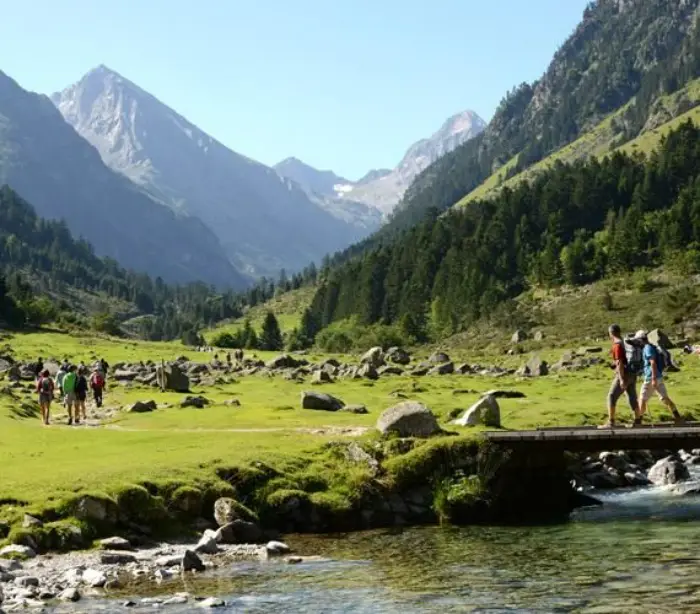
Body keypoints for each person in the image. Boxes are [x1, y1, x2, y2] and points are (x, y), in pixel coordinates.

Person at [636, 330, 684, 424]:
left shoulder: (647, 348)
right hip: (658, 376)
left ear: (641, 340)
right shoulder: (651, 346)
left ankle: (638, 420)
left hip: (651, 377)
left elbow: (652, 363)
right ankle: (678, 417)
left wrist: (653, 378)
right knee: (664, 398)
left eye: (638, 340)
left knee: (642, 399)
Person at [601, 324, 641, 428]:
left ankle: (611, 421)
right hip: (633, 373)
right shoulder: (626, 343)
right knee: (631, 396)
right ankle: (638, 420)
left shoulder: (617, 345)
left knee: (611, 396)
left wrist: (622, 379)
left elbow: (619, 362)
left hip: (624, 374)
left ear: (611, 333)